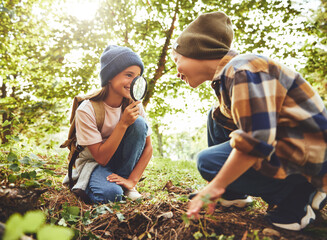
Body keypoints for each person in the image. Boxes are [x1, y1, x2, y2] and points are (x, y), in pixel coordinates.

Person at [171, 11, 327, 231]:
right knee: (217, 116)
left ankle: (299, 194)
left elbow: (257, 137)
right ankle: (233, 194)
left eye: (176, 60)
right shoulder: (231, 76)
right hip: (291, 147)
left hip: (311, 159)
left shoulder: (241, 69)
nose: (176, 71)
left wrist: (215, 186)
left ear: (197, 50)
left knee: (208, 162)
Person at [63, 45, 153, 203]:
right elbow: (101, 158)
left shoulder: (135, 105)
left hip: (121, 163)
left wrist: (132, 181)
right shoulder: (87, 109)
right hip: (94, 164)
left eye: (137, 77)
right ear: (110, 76)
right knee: (112, 195)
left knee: (138, 124)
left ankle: (125, 185)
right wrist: (123, 124)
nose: (133, 82)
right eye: (128, 75)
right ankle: (88, 185)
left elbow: (148, 147)